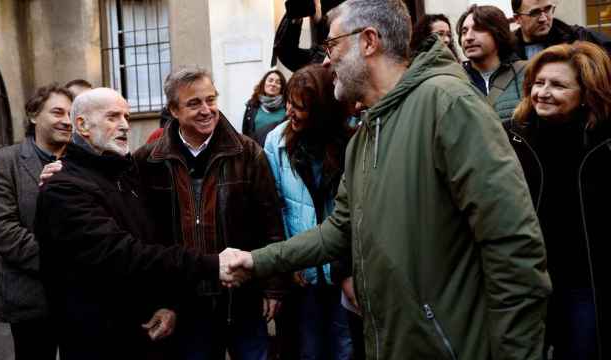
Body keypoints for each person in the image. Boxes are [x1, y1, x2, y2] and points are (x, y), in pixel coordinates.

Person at [225, 0, 552, 359]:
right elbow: (339, 230)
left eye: (332, 46)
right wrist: (257, 261)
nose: (325, 61)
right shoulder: (364, 135)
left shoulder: (450, 106)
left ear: (369, 41)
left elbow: (513, 246)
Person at [34, 87, 240, 360]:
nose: (124, 126)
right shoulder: (62, 189)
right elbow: (122, 254)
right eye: (112, 117)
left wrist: (168, 305)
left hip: (145, 335)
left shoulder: (128, 174)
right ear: (81, 124)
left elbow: (156, 240)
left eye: (126, 117)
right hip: (97, 342)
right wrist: (212, 264)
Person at [133, 66, 285, 360]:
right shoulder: (148, 161)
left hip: (243, 298)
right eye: (194, 103)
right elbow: (144, 236)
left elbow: (270, 221)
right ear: (174, 110)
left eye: (211, 100)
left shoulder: (247, 153)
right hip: (186, 304)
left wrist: (274, 288)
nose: (207, 110)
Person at [505, 41, 610, 360]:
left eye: (558, 85)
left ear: (587, 94)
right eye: (538, 82)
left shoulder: (604, 142)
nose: (543, 92)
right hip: (525, 282)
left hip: (584, 283)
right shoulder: (510, 137)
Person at [263, 64, 353, 360]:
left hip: (344, 273)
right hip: (304, 273)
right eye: (289, 102)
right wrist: (292, 260)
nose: (290, 111)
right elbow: (276, 205)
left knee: (345, 347)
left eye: (299, 107)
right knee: (309, 349)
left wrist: (349, 269)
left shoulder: (349, 142)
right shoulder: (275, 142)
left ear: (322, 109)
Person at [0, 84, 73, 360]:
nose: (67, 121)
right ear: (34, 115)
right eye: (58, 112)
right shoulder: (1, 163)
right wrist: (64, 262)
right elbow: (2, 229)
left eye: (71, 113)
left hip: (80, 298)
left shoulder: (82, 163)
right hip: (31, 300)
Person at [458, 5, 526, 122]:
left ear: (498, 33)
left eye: (478, 29)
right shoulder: (455, 79)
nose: (468, 37)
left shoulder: (526, 73)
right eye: (464, 32)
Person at [512, 0, 611, 60]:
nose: (543, 18)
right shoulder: (507, 48)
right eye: (534, 13)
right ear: (517, 19)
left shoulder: (580, 37)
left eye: (548, 9)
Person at [242, 69, 287, 145]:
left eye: (278, 82)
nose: (273, 84)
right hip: (257, 153)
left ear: (282, 87)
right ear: (264, 83)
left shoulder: (287, 107)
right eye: (270, 80)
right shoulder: (252, 106)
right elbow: (246, 133)